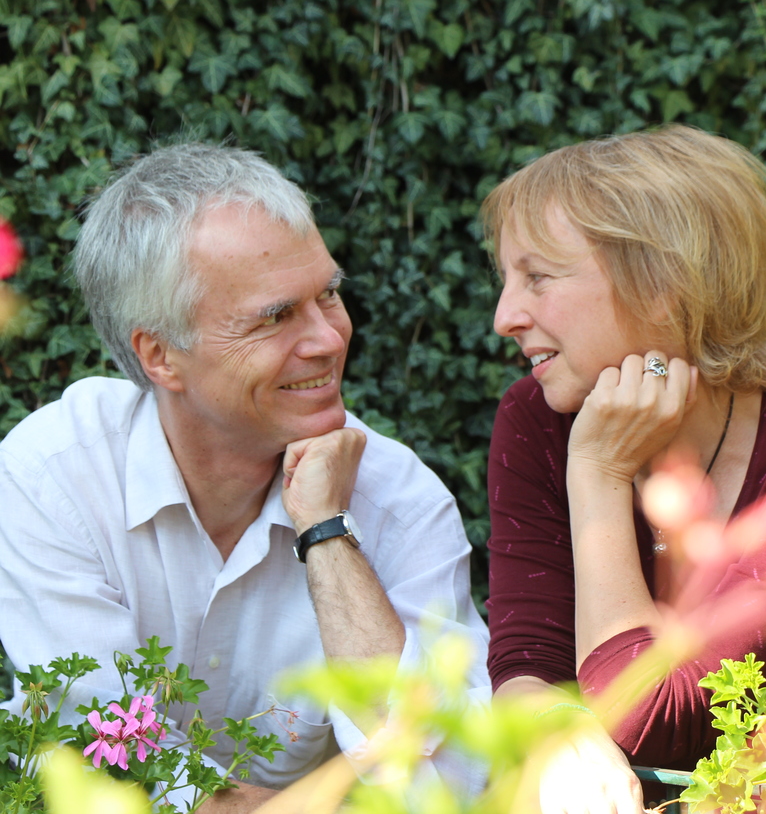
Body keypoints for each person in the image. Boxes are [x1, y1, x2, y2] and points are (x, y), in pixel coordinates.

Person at [0, 142, 490, 812]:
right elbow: (107, 754)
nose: (329, 339)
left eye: (329, 294)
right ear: (160, 355)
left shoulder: (399, 501)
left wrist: (327, 532)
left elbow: (446, 783)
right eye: (275, 316)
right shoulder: (55, 479)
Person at [482, 125, 766, 813]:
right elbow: (525, 661)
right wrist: (557, 730)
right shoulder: (535, 418)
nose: (504, 316)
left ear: (662, 285)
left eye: (537, 277)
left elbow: (656, 720)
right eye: (506, 279)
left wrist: (597, 472)